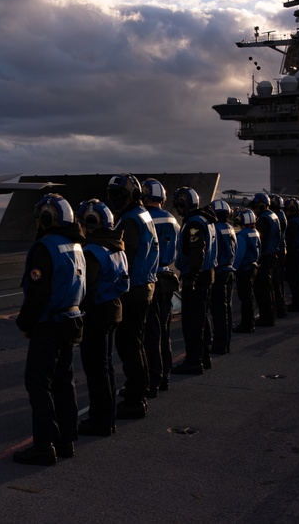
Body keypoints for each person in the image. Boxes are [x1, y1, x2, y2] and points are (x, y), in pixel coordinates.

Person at [14, 193, 85, 466]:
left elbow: (38, 292)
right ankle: (66, 441)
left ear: (46, 218)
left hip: (49, 324)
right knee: (63, 382)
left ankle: (44, 446)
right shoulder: (76, 245)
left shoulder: (44, 247)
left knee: (38, 384)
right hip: (72, 320)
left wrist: (25, 323)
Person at [105, 174, 158, 420]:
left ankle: (137, 398)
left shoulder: (128, 221)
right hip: (146, 286)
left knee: (129, 346)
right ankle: (140, 389)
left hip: (133, 291)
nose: (115, 200)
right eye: (113, 195)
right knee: (136, 344)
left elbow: (126, 259)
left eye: (119, 195)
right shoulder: (143, 215)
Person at [77, 199, 127, 437]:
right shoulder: (116, 245)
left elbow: (87, 288)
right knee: (106, 367)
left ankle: (100, 420)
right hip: (114, 308)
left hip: (97, 314)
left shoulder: (92, 251)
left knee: (96, 369)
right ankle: (108, 417)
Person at [171, 187, 216, 376]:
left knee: (192, 323)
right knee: (202, 319)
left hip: (196, 277)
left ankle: (193, 361)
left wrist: (191, 278)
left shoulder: (193, 224)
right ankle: (204, 357)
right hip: (207, 275)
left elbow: (198, 251)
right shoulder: (206, 219)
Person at [141, 178, 180, 396]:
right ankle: (164, 375)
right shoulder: (172, 218)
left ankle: (152, 380)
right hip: (168, 277)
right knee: (165, 331)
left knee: (150, 335)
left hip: (150, 279)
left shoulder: (143, 218)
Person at [208, 199, 236, 355]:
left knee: (218, 310)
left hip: (218, 272)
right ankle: (226, 343)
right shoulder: (230, 228)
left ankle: (219, 345)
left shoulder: (214, 229)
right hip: (229, 270)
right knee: (228, 309)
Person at [250, 193, 281, 327]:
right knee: (269, 288)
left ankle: (266, 317)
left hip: (264, 257)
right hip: (273, 254)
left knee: (262, 289)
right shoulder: (273, 216)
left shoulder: (262, 220)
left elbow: (259, 240)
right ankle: (269, 316)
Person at [232, 209, 261, 333]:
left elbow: (239, 254)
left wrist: (234, 268)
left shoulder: (242, 235)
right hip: (253, 267)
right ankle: (250, 322)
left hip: (244, 269)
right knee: (249, 296)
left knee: (245, 298)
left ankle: (246, 324)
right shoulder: (255, 232)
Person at [283, 199, 299, 312]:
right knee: (298, 280)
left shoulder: (293, 223)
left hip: (294, 253)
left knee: (294, 281)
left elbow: (289, 239)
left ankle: (297, 304)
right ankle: (298, 302)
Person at [269, 195, 288, 317]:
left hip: (278, 250)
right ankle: (281, 306)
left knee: (276, 281)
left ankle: (279, 308)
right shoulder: (282, 215)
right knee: (279, 280)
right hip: (282, 249)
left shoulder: (277, 217)